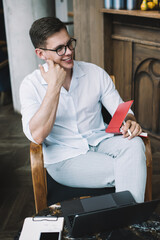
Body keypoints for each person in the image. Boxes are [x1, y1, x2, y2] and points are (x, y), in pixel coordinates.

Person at [20, 17, 146, 203]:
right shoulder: (30, 85)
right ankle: (131, 224)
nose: (69, 52)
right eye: (59, 49)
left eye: (69, 43)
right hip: (65, 156)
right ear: (41, 53)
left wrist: (129, 120)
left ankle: (122, 220)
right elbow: (37, 135)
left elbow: (120, 110)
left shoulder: (95, 73)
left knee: (135, 145)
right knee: (132, 169)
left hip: (101, 141)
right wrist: (54, 86)